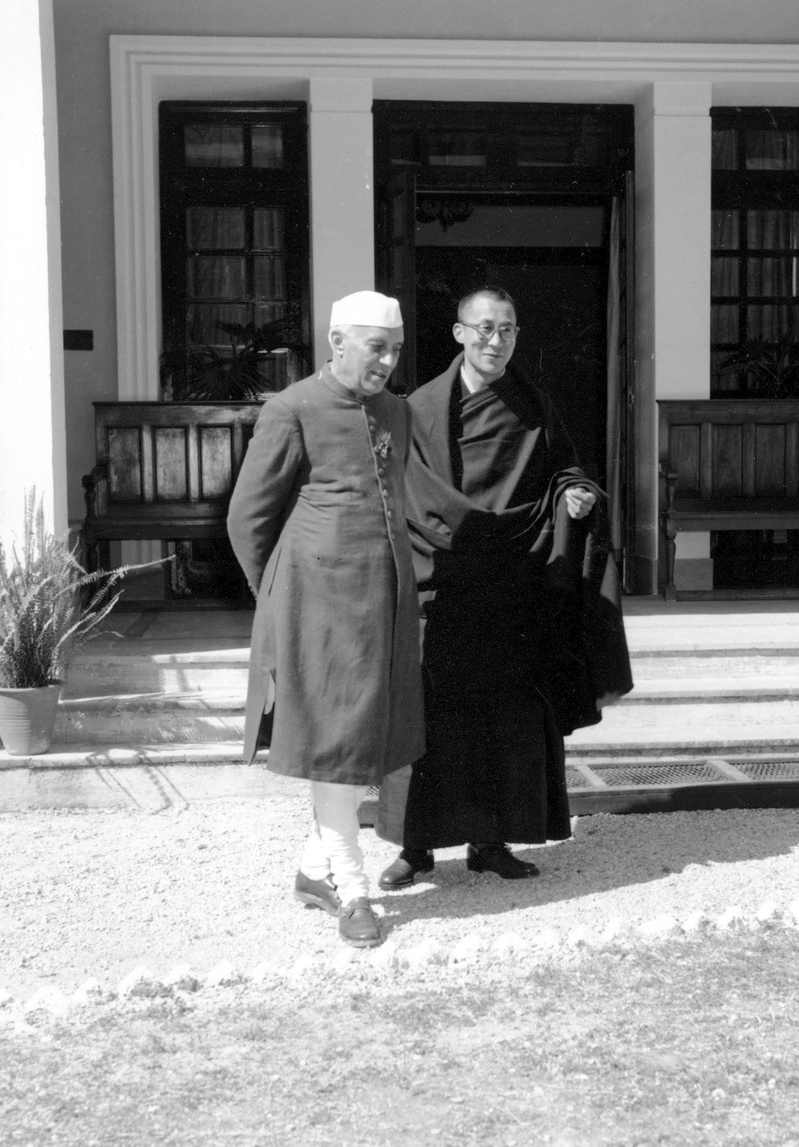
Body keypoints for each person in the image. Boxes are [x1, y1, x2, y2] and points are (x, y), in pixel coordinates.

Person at [374, 286, 632, 888]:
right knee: (427, 719)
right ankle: (414, 849)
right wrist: (456, 535)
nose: (496, 341)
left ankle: (491, 841)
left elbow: (568, 468)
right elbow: (404, 488)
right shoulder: (418, 407)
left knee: (505, 716)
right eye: (485, 329)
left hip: (512, 583)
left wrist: (575, 493)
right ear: (459, 333)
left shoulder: (533, 403)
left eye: (508, 330)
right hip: (440, 579)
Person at [226, 290, 424, 949]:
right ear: (337, 342)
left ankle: (314, 870)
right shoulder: (292, 409)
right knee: (338, 747)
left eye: (395, 349)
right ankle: (351, 888)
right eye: (377, 348)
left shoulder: (396, 410)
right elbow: (246, 518)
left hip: (385, 604)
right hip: (318, 606)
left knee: (366, 741)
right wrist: (281, 597)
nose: (389, 361)